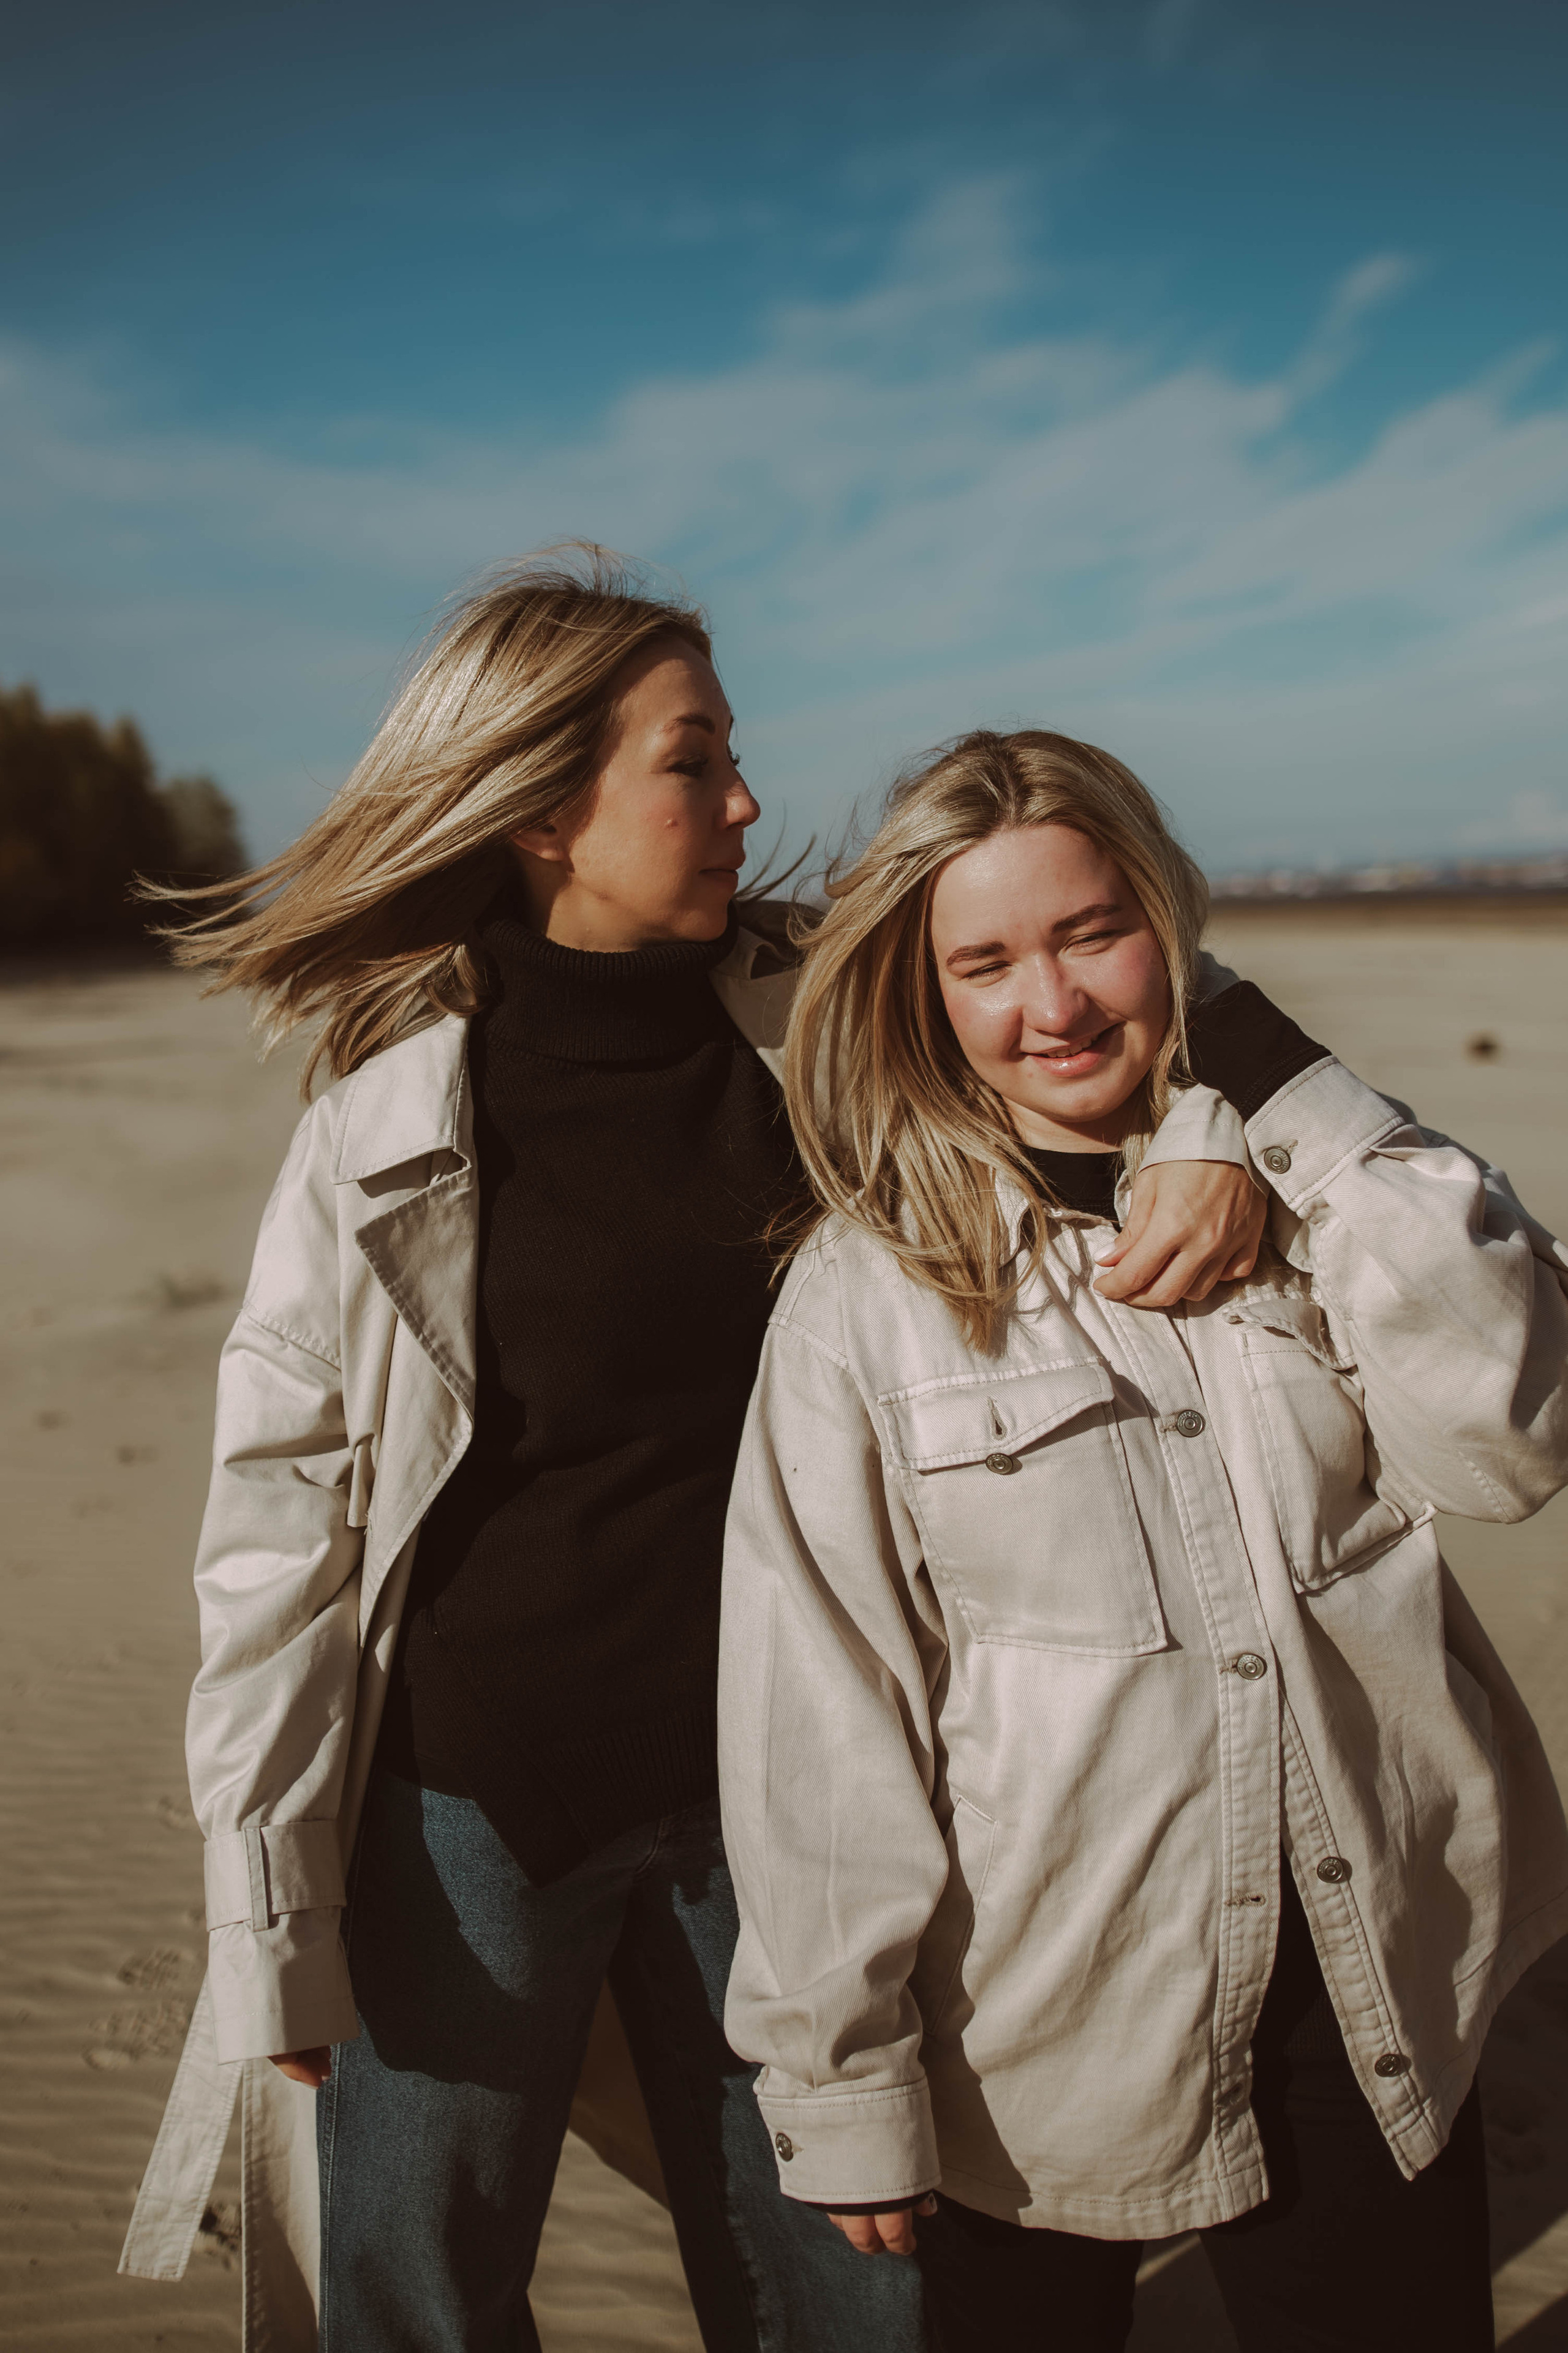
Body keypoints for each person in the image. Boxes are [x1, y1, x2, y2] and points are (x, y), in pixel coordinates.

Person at [118, 556, 1264, 2352]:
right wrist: (273, 1897)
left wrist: (1214, 1132)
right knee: (415, 2294)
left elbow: (1103, 1010)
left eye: (731, 756)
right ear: (542, 805)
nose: (743, 801)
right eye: (692, 761)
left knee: (845, 2288)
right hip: (471, 1809)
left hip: (795, 1808)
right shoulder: (388, 1122)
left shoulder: (825, 1020)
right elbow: (280, 1532)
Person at [717, 725, 1568, 2353]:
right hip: (1040, 2029)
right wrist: (839, 2072)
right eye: (986, 961)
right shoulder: (866, 1294)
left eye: (1095, 932)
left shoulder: (1308, 1190)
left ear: (1169, 926)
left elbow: (1518, 1432)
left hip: (1373, 1983)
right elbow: (820, 1708)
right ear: (929, 990)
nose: (1056, 1005)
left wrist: (1268, 1076)